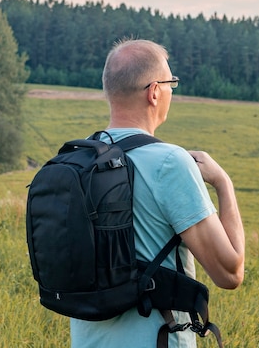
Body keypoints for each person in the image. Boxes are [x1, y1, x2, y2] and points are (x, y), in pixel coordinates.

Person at [70, 39, 245, 347]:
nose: (170, 93)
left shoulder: (79, 160)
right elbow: (230, 273)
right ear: (154, 92)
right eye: (170, 84)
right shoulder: (169, 163)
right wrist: (223, 183)